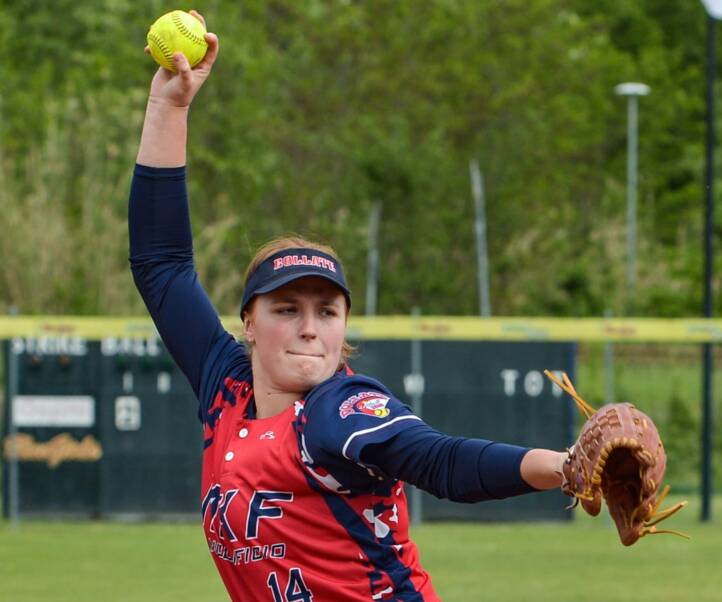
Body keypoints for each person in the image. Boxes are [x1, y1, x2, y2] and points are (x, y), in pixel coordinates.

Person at [129, 11, 568, 602]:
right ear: (249, 325)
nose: (310, 328)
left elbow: (441, 461)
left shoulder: (339, 411)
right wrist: (170, 109)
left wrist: (564, 467)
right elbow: (161, 264)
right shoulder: (226, 391)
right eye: (287, 309)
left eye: (327, 312)